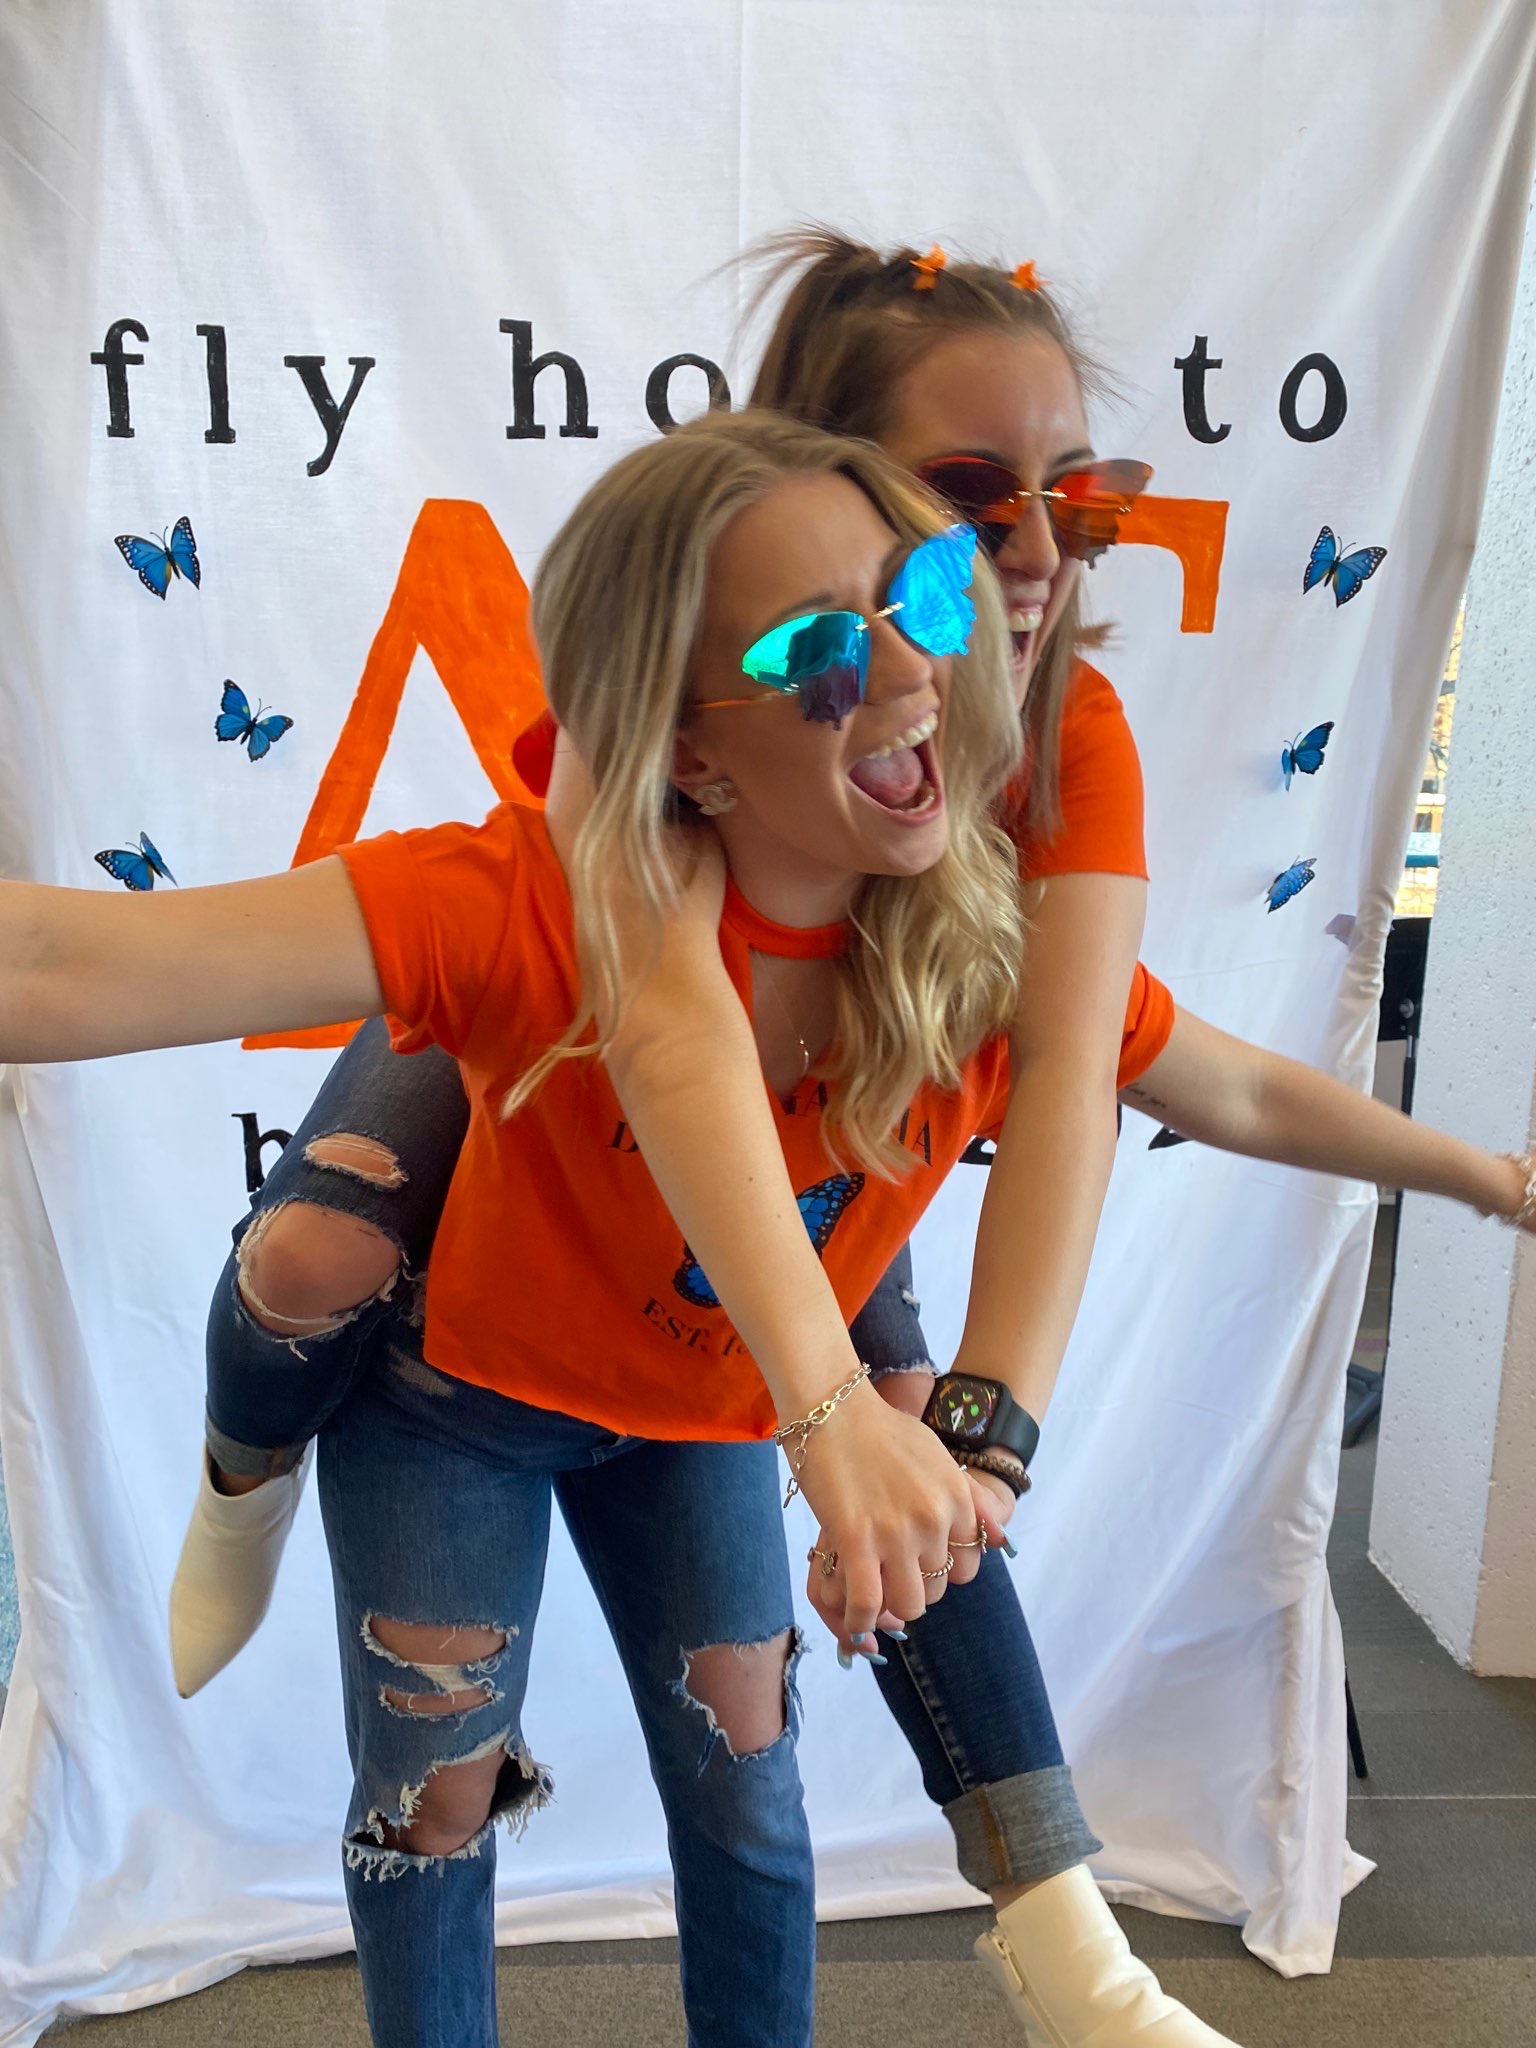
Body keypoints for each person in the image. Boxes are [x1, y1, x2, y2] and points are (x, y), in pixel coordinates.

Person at [171, 231, 1535, 2043]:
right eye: (963, 509)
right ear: (819, 491)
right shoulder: (651, 788)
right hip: (590, 1091)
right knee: (319, 1244)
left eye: (1083, 501)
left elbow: (1117, 1063)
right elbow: (671, 1033)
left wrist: (984, 1425)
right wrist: (837, 1416)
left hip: (777, 1198)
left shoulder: (1040, 772)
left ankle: (1061, 1927)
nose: (1034, 554)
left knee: (900, 1474)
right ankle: (241, 1471)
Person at [5, 410, 1084, 2048]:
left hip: (693, 1405)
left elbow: (1171, 1080)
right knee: (429, 1795)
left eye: (928, 593)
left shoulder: (946, 914)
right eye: (813, 651)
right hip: (457, 1406)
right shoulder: (531, 894)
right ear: (689, 749)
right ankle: (243, 1473)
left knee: (751, 1783)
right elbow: (66, 967)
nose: (908, 667)